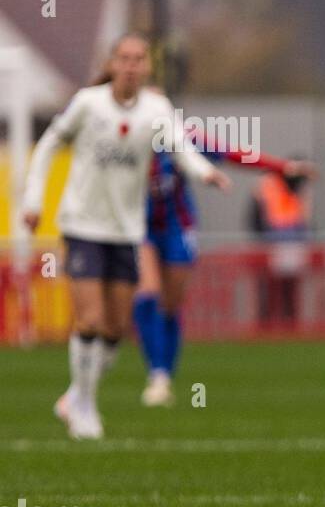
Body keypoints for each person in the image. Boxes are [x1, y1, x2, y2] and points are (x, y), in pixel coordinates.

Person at [21, 33, 231, 439]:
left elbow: (181, 147)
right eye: (125, 58)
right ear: (113, 63)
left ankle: (75, 395)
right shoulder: (88, 103)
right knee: (91, 318)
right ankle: (84, 408)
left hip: (126, 231)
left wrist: (205, 172)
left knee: (116, 327)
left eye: (139, 59)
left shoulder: (156, 109)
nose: (132, 65)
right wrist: (33, 200)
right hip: (82, 226)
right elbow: (49, 144)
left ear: (147, 67)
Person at [135, 127, 316, 406]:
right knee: (147, 292)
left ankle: (165, 375)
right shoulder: (121, 135)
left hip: (177, 226)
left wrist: (283, 167)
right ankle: (156, 373)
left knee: (171, 303)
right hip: (136, 225)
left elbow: (233, 154)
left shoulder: (181, 137)